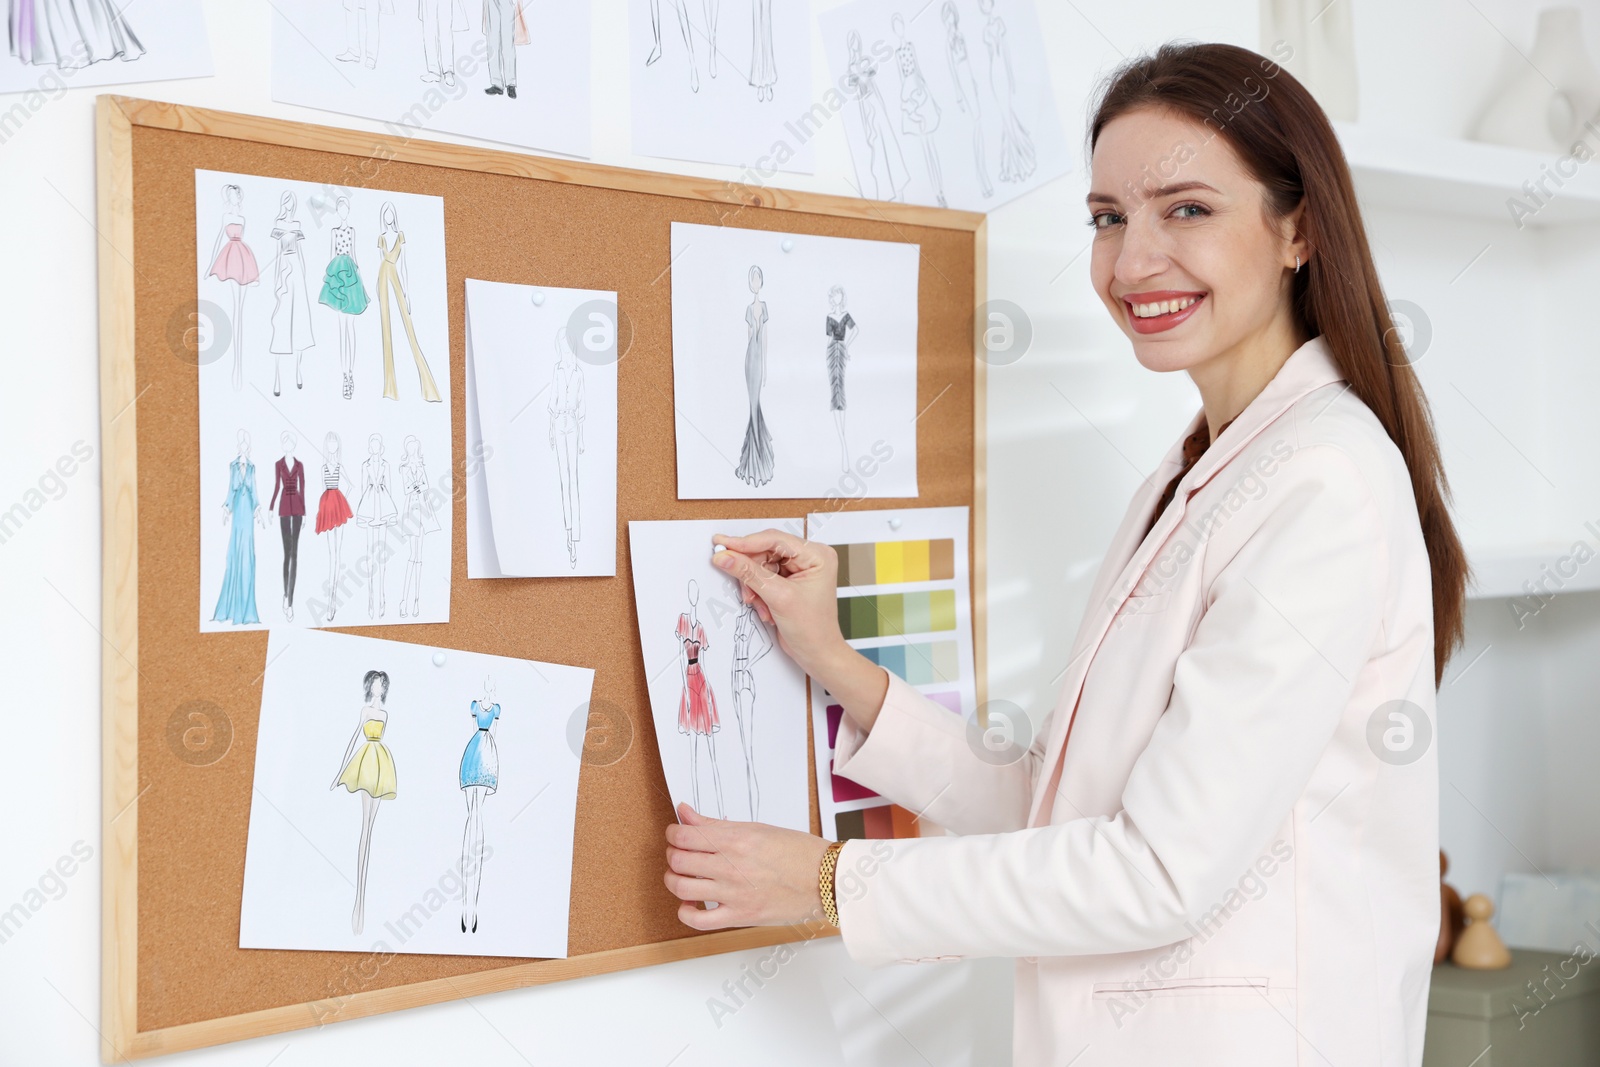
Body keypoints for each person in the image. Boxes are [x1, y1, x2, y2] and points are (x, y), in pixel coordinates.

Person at [662, 41, 1468, 1067]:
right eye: (1107, 218)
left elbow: (1159, 869)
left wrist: (828, 881)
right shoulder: (1187, 477)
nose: (1131, 263)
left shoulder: (1323, 485)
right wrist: (842, 669)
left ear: (1298, 227)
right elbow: (1061, 805)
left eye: (1186, 209)